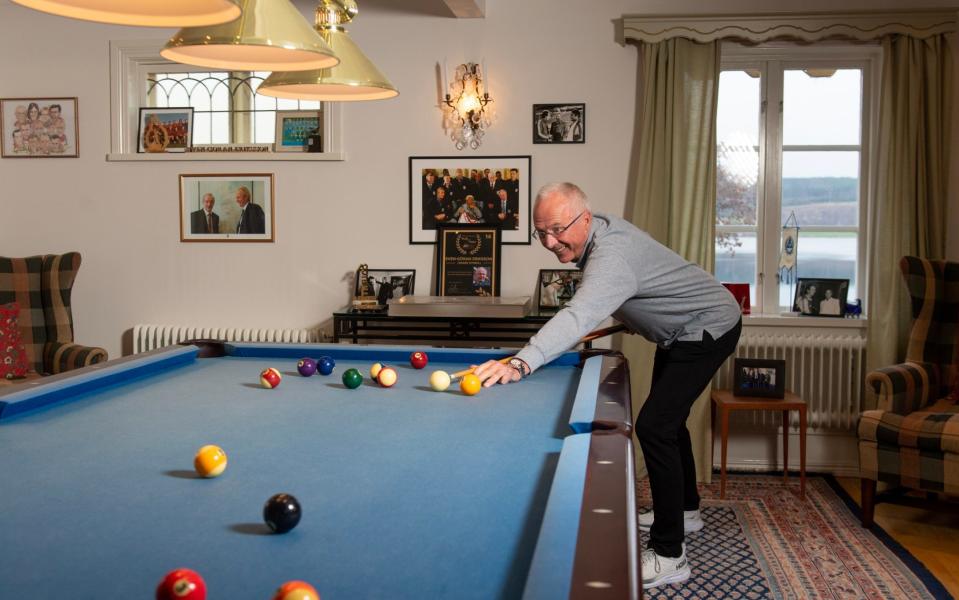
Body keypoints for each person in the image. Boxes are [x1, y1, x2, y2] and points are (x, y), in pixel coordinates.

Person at [472, 182, 741, 590]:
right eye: (540, 232)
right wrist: (638, 317)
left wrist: (523, 360)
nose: (549, 241)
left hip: (706, 326)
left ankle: (670, 556)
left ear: (584, 218)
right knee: (671, 420)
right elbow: (645, 283)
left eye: (558, 229)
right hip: (683, 326)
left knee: (656, 426)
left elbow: (579, 316)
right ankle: (686, 511)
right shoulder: (602, 230)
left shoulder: (611, 256)